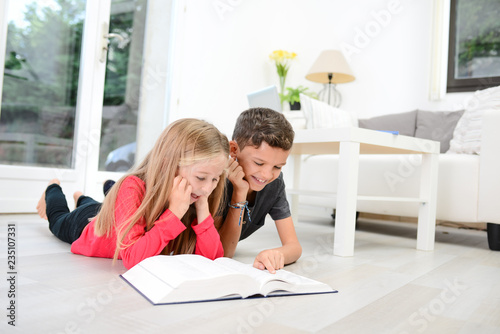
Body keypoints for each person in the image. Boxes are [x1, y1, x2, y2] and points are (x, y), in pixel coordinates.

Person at [36, 118, 229, 269]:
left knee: (94, 203)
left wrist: (203, 210)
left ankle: (83, 196)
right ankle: (53, 188)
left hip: (115, 215)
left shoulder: (196, 195)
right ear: (168, 165)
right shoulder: (132, 187)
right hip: (84, 226)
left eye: (215, 179)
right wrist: (175, 213)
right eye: (202, 178)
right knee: (58, 218)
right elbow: (133, 259)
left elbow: (211, 260)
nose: (207, 189)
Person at [216, 107, 302, 274]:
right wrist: (239, 194)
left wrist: (276, 254)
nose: (267, 175)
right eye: (259, 163)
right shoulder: (216, 179)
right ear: (233, 150)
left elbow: (294, 247)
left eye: (277, 166)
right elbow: (223, 253)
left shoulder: (274, 184)